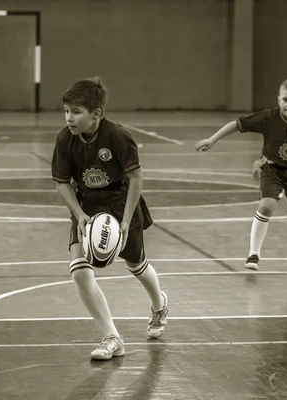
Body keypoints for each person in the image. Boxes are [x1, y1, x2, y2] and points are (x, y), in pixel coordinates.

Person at [51, 77, 168, 360]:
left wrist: (127, 220)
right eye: (66, 110)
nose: (69, 117)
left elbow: (136, 178)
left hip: (120, 201)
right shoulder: (65, 139)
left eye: (76, 112)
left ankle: (158, 304)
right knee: (79, 270)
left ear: (96, 114)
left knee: (136, 264)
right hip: (87, 205)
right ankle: (112, 337)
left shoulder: (117, 136)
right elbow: (61, 182)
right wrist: (79, 215)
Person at [195, 78, 287, 271]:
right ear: (279, 100)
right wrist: (212, 139)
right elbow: (236, 124)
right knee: (266, 205)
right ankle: (253, 254)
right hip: (270, 168)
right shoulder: (267, 118)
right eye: (285, 99)